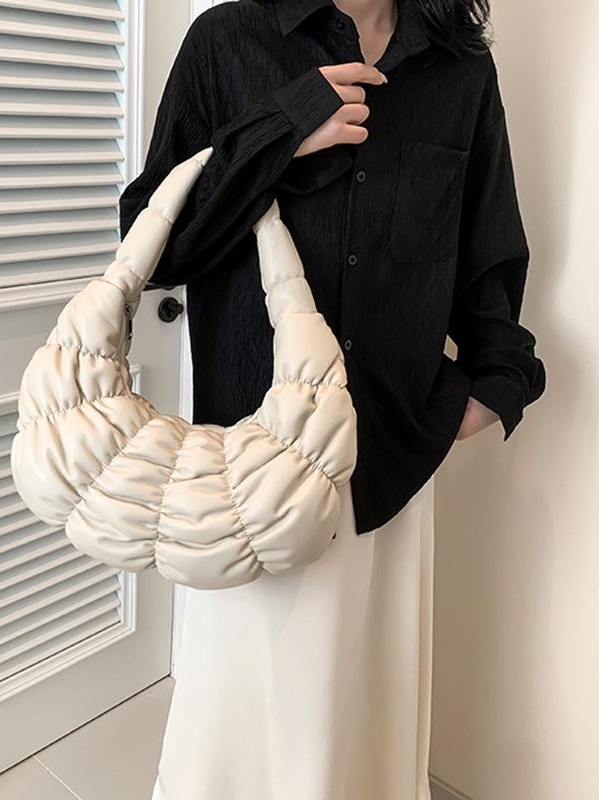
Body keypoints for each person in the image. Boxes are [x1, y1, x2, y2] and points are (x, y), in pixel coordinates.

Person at [119, 1, 546, 798]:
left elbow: (485, 247)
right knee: (240, 721)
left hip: (390, 458)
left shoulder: (460, 68)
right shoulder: (227, 41)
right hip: (253, 466)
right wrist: (281, 129)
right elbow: (156, 242)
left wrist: (497, 382)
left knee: (366, 713)